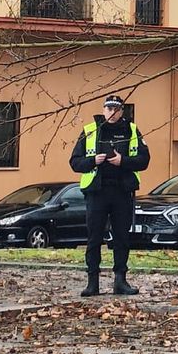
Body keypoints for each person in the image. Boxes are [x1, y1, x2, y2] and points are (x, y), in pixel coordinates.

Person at [68, 95, 150, 297]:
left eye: (116, 108)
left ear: (122, 111)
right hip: (97, 192)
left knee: (122, 237)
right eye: (109, 108)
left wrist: (123, 161)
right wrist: (93, 161)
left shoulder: (132, 130)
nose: (112, 113)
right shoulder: (90, 131)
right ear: (103, 110)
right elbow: (74, 162)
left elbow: (144, 160)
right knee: (94, 238)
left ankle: (120, 281)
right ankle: (92, 283)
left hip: (122, 191)